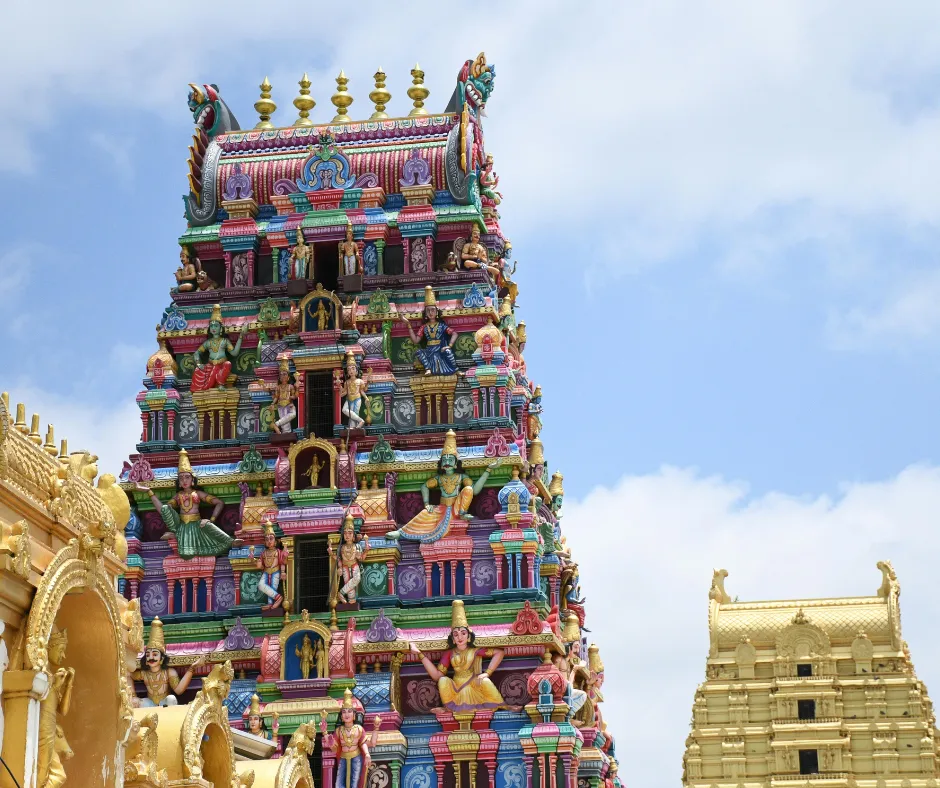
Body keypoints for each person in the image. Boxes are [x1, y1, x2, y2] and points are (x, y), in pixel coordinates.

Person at [387, 430, 500, 543]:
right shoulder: (439, 478)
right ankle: (401, 533)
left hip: (457, 507)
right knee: (424, 514)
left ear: (456, 464)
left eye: (450, 460)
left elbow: (474, 491)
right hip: (442, 508)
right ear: (441, 464)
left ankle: (462, 514)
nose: (447, 462)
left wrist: (488, 469)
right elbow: (424, 487)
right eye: (444, 460)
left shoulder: (461, 477)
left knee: (468, 489)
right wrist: (427, 504)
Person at [407, 600, 510, 712]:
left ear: (469, 637)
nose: (460, 637)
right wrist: (420, 654)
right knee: (443, 680)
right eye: (456, 634)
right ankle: (448, 708)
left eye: (463, 633)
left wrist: (487, 673)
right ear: (453, 639)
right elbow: (437, 676)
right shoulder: (449, 654)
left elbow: (499, 653)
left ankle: (504, 705)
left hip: (473, 685)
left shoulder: (475, 651)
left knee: (485, 681)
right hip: (455, 689)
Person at [136, 449, 240, 558]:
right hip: (182, 526)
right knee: (167, 509)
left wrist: (211, 519)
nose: (184, 480)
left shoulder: (197, 493)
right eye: (181, 478)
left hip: (197, 524)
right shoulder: (178, 496)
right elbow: (164, 510)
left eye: (187, 477)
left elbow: (219, 503)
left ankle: (230, 542)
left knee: (208, 525)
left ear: (192, 480)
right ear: (179, 483)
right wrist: (149, 491)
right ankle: (175, 533)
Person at [132, 618, 206, 706]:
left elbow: (178, 690)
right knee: (135, 702)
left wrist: (192, 668)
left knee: (171, 699)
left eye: (155, 654)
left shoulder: (169, 672)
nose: (151, 657)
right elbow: (128, 675)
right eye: (148, 655)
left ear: (162, 658)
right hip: (150, 704)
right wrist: (133, 695)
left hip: (165, 704)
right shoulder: (144, 673)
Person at [400, 287, 458, 376]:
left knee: (448, 351)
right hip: (429, 351)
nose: (431, 313)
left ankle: (455, 370)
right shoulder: (424, 327)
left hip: (440, 349)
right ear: (425, 313)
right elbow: (416, 340)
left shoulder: (442, 326)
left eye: (433, 310)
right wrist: (408, 324)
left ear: (437, 312)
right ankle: (428, 369)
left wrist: (449, 346)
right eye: (428, 311)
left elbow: (454, 333)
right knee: (419, 352)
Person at [191, 304, 248, 391]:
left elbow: (234, 353)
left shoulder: (225, 341)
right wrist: (199, 364)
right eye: (212, 326)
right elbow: (197, 353)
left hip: (221, 365)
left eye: (216, 326)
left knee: (227, 364)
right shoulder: (208, 343)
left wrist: (240, 337)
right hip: (210, 366)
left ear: (221, 328)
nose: (213, 328)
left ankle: (221, 384)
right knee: (197, 370)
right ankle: (194, 390)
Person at [320, 689, 371, 788]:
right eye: (344, 712)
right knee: (339, 784)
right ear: (341, 717)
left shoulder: (358, 729)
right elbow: (333, 746)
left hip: (356, 757)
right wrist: (324, 732)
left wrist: (367, 754)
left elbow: (363, 743)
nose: (347, 714)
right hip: (343, 757)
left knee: (354, 782)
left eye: (349, 711)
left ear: (354, 715)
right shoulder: (339, 730)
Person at [250, 522, 289, 610]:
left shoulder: (278, 552)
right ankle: (278, 597)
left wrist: (283, 572)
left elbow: (283, 561)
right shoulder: (264, 553)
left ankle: (270, 603)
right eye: (267, 539)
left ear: (275, 541)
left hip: (276, 571)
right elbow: (260, 565)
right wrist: (253, 559)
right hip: (266, 571)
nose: (269, 541)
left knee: (272, 587)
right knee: (261, 585)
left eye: (271, 539)